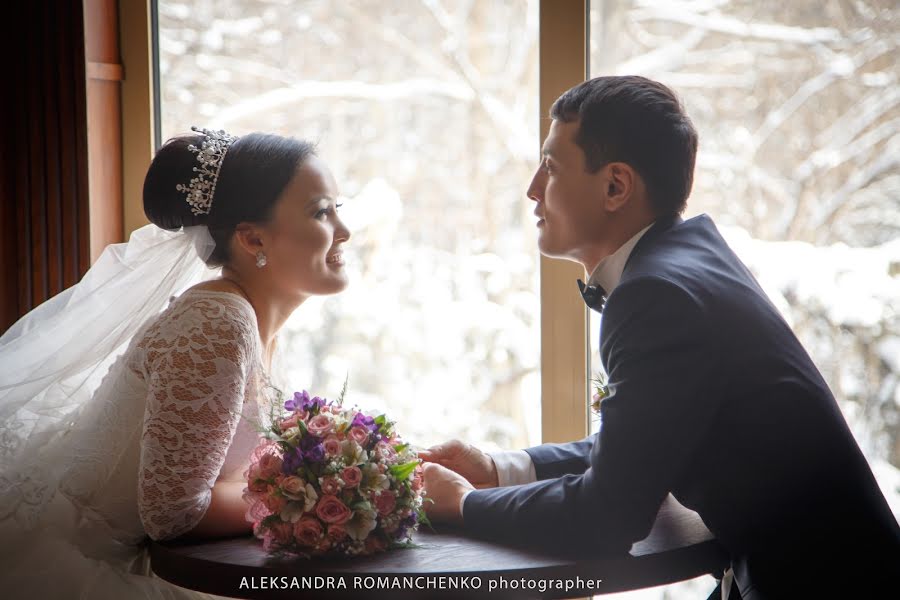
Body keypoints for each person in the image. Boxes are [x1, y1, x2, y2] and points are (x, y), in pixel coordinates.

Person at [420, 76, 900, 599]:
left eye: (552, 167)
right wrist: (498, 468)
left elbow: (607, 515)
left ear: (615, 187)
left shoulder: (656, 295)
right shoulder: (687, 261)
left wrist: (463, 504)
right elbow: (639, 444)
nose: (533, 188)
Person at [0, 127, 350, 598]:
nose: (344, 232)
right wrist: (316, 494)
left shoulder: (254, 321)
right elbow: (173, 514)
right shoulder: (217, 323)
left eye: (337, 209)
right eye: (321, 212)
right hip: (92, 561)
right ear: (251, 240)